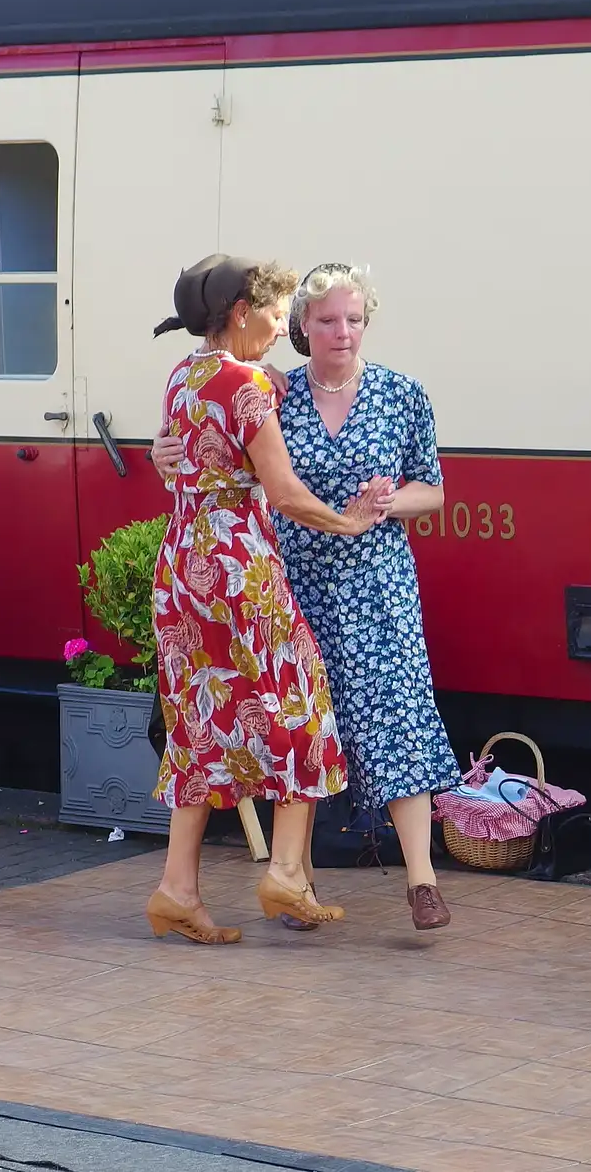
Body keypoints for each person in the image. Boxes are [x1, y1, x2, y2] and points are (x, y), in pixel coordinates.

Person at [153, 263, 461, 931]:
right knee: (302, 719)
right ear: (281, 323)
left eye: (353, 319)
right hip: (270, 575)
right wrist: (347, 518)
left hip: (266, 575)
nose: (341, 331)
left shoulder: (195, 375)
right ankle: (290, 875)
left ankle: (410, 879)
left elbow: (432, 488)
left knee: (224, 719)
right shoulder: (264, 390)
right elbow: (281, 490)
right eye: (320, 319)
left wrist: (384, 508)